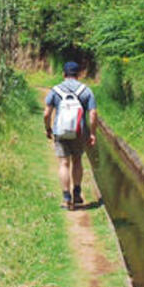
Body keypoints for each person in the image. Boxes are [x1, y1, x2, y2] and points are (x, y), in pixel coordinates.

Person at [44, 61, 98, 210]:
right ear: (79, 74)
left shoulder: (55, 91)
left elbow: (47, 113)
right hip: (79, 132)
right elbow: (93, 114)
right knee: (77, 160)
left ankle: (67, 197)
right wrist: (92, 133)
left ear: (64, 74)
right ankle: (77, 193)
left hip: (60, 132)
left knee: (64, 163)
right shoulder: (86, 91)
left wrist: (48, 129)